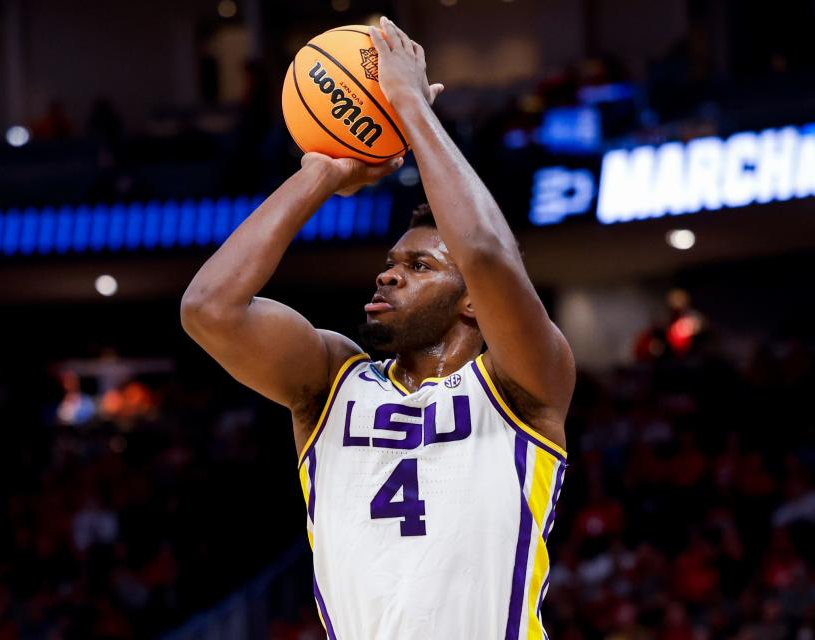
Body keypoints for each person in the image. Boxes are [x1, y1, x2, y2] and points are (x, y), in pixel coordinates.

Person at [181, 17, 575, 639]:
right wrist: (321, 175)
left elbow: (486, 253)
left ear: (474, 303)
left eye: (418, 266)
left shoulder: (523, 384)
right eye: (389, 263)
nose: (388, 277)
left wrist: (412, 109)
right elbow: (209, 309)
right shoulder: (331, 381)